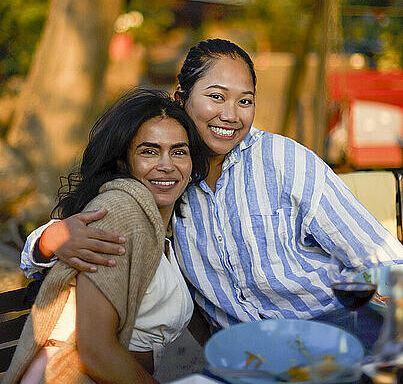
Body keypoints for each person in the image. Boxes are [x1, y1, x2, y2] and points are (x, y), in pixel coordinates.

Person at [19, 40, 403, 352]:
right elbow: (93, 220)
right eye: (216, 97)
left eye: (245, 101)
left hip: (333, 327)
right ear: (181, 97)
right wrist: (51, 239)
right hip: (249, 353)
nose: (231, 115)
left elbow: (380, 257)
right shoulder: (166, 178)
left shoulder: (284, 159)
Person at [1, 88, 208, 384]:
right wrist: (49, 239)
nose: (167, 165)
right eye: (149, 151)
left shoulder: (169, 222)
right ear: (123, 161)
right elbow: (96, 351)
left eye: (178, 151)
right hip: (69, 383)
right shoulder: (122, 212)